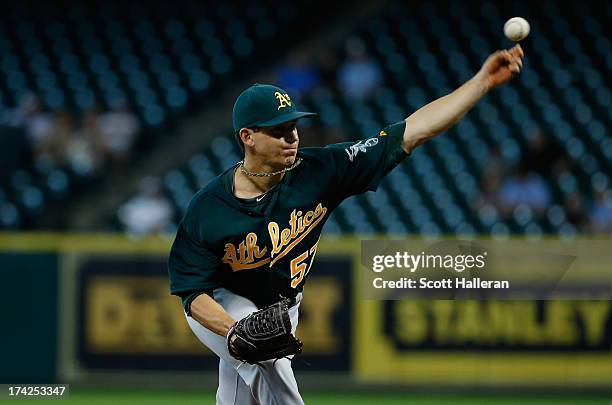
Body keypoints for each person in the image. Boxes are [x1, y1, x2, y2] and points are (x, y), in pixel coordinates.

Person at [167, 45, 524, 404]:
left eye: (293, 126)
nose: (292, 137)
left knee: (237, 396)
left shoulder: (321, 171)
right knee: (265, 358)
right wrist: (234, 332)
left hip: (282, 310)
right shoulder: (208, 208)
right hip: (220, 307)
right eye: (278, 130)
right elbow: (192, 293)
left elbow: (412, 131)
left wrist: (481, 82)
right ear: (247, 136)